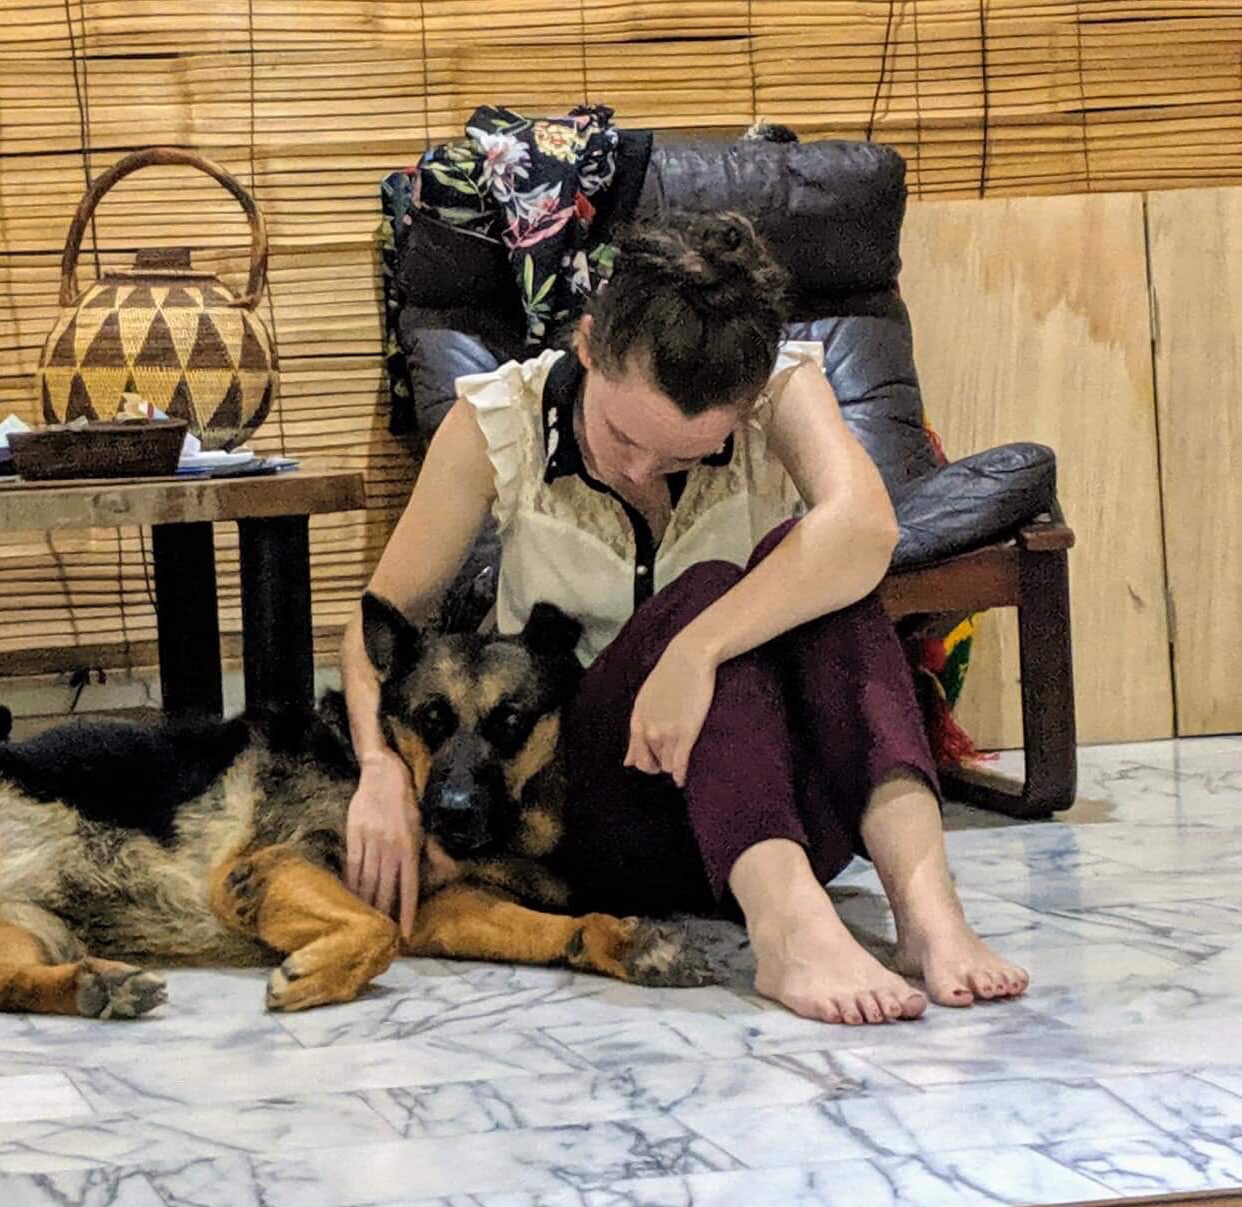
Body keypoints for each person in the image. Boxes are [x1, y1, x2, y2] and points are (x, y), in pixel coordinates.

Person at [338, 210, 1029, 1026]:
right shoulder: (498, 419)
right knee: (709, 582)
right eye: (623, 434)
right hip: (598, 814)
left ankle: (928, 920)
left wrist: (695, 652)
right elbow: (377, 622)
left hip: (781, 802)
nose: (639, 468)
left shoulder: (783, 387)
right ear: (589, 346)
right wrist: (381, 769)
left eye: (683, 456)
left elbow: (868, 530)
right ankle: (789, 931)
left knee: (813, 569)